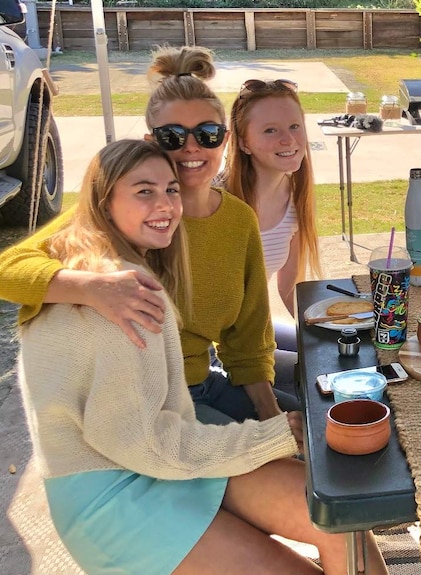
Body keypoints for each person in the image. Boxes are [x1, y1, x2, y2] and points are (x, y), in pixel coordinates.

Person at [19, 138, 387, 575]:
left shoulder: (88, 263)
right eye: (144, 191)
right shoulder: (119, 294)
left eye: (171, 189)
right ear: (103, 200)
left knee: (342, 523)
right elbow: (144, 444)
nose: (166, 205)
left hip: (163, 453)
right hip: (114, 493)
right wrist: (274, 436)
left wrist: (273, 429)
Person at [0, 46, 298, 424]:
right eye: (173, 136)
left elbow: (248, 341)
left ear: (225, 139)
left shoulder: (238, 219)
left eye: (207, 133)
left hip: (204, 382)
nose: (191, 147)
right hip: (145, 404)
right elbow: (9, 269)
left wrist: (273, 420)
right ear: (150, 141)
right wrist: (91, 287)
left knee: (313, 438)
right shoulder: (121, 213)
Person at [220, 77, 322, 376]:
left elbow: (290, 287)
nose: (288, 140)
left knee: (334, 352)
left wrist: (331, 327)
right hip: (217, 344)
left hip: (253, 327)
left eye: (294, 126)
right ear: (243, 142)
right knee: (314, 372)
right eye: (270, 130)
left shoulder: (297, 197)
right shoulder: (216, 202)